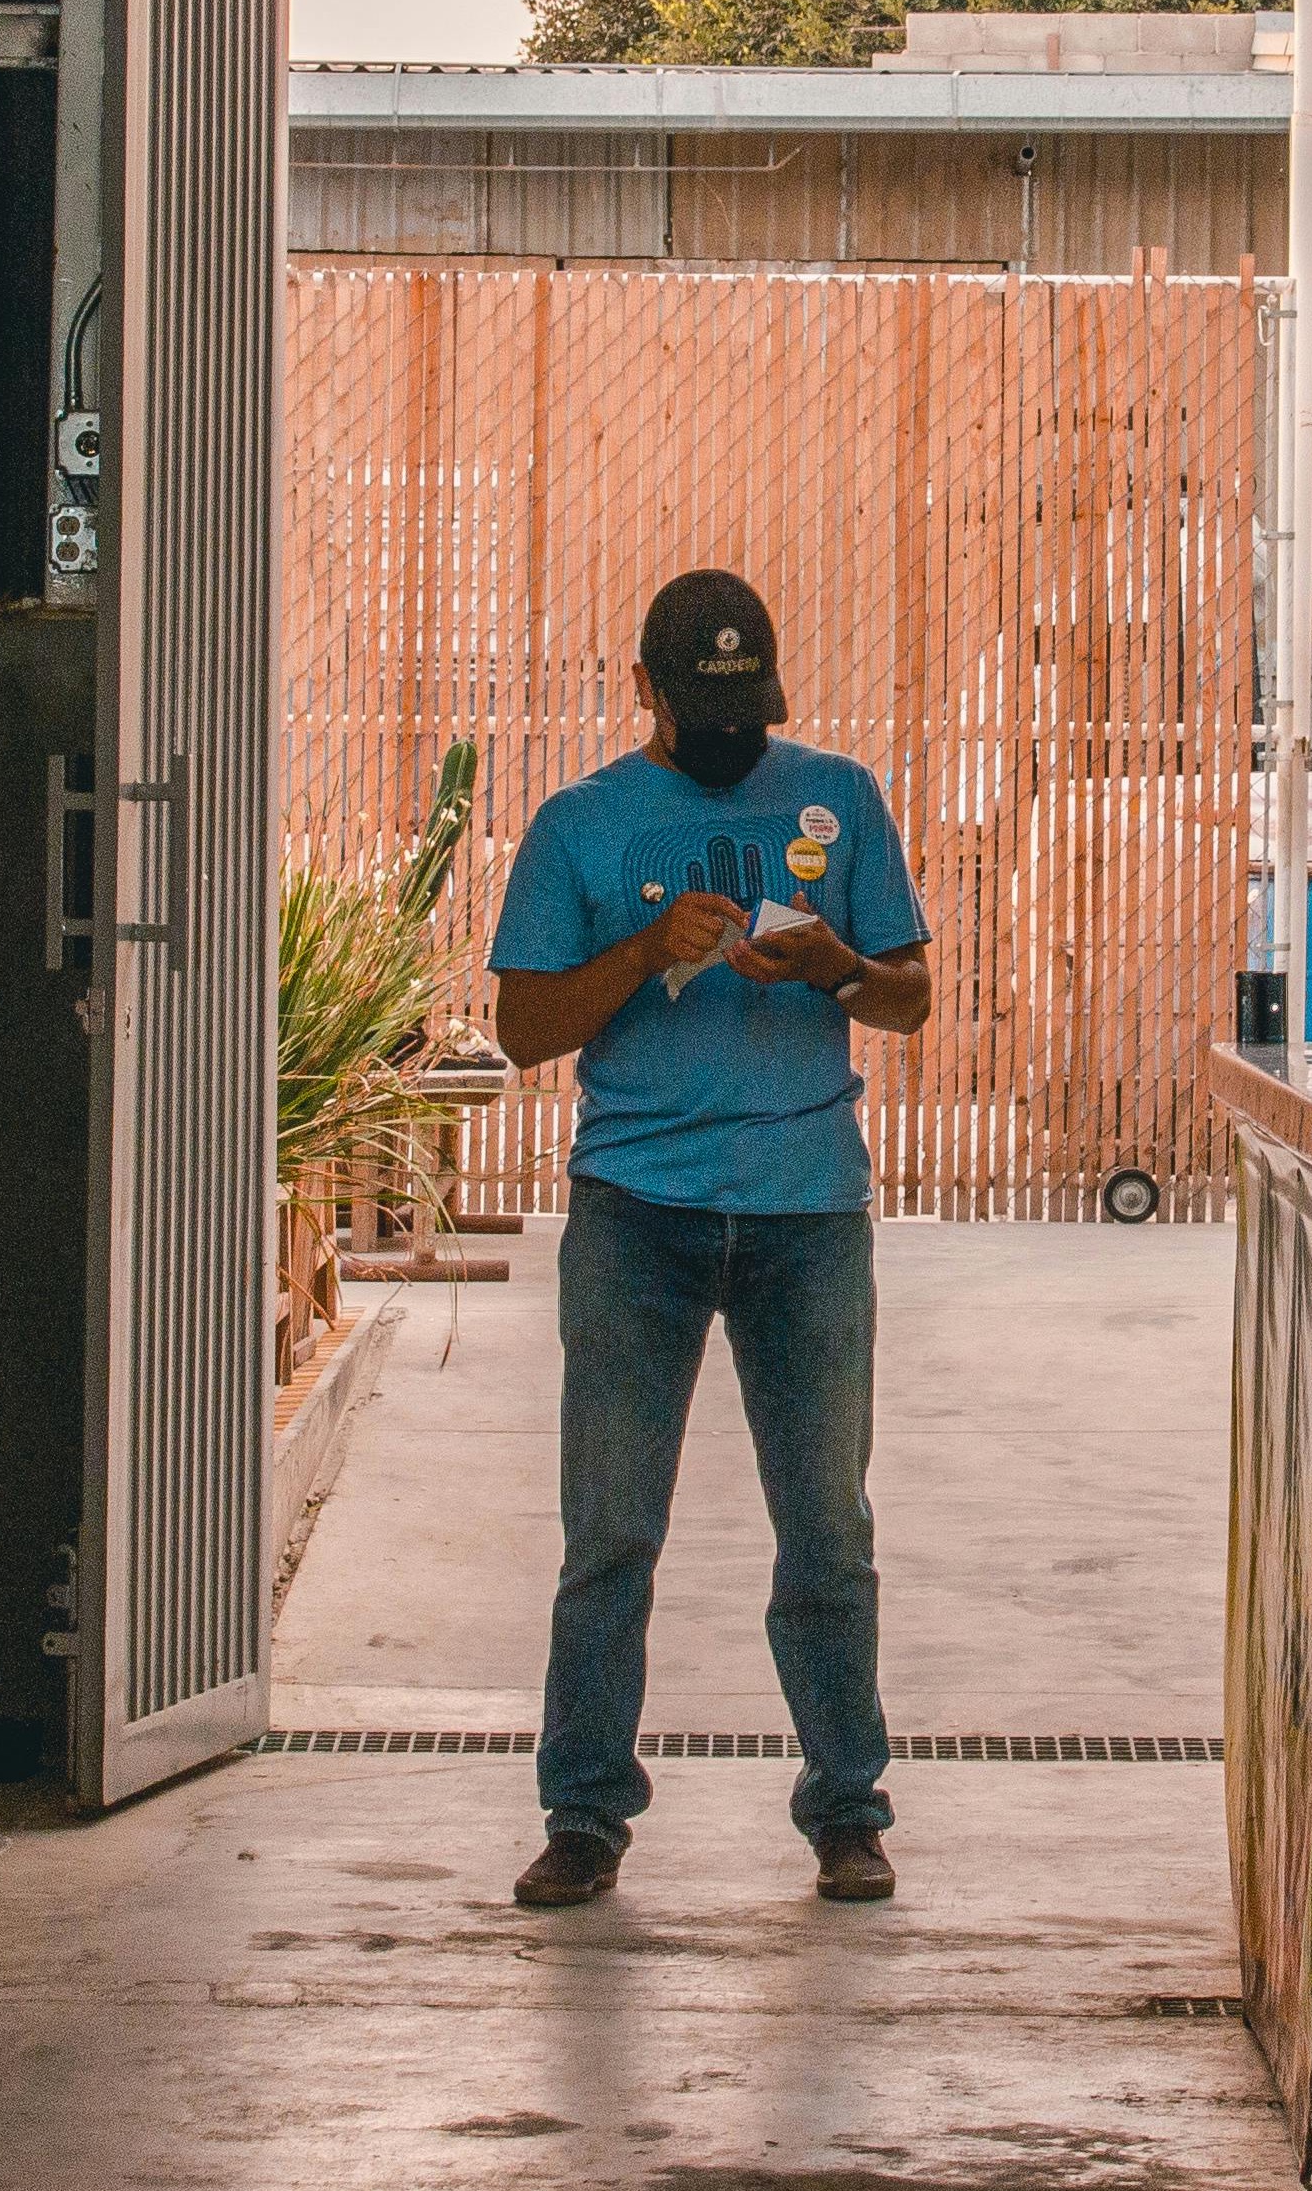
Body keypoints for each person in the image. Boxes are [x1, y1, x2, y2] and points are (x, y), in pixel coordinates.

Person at [484, 568, 933, 1910]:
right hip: (639, 1214)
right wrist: (638, 950)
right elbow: (518, 1029)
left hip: (808, 1212)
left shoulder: (839, 796)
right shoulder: (582, 826)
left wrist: (837, 967)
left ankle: (848, 1807)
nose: (734, 731)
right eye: (705, 706)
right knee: (612, 1528)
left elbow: (911, 999)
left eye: (751, 706)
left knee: (827, 1530)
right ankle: (584, 1813)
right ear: (647, 694)